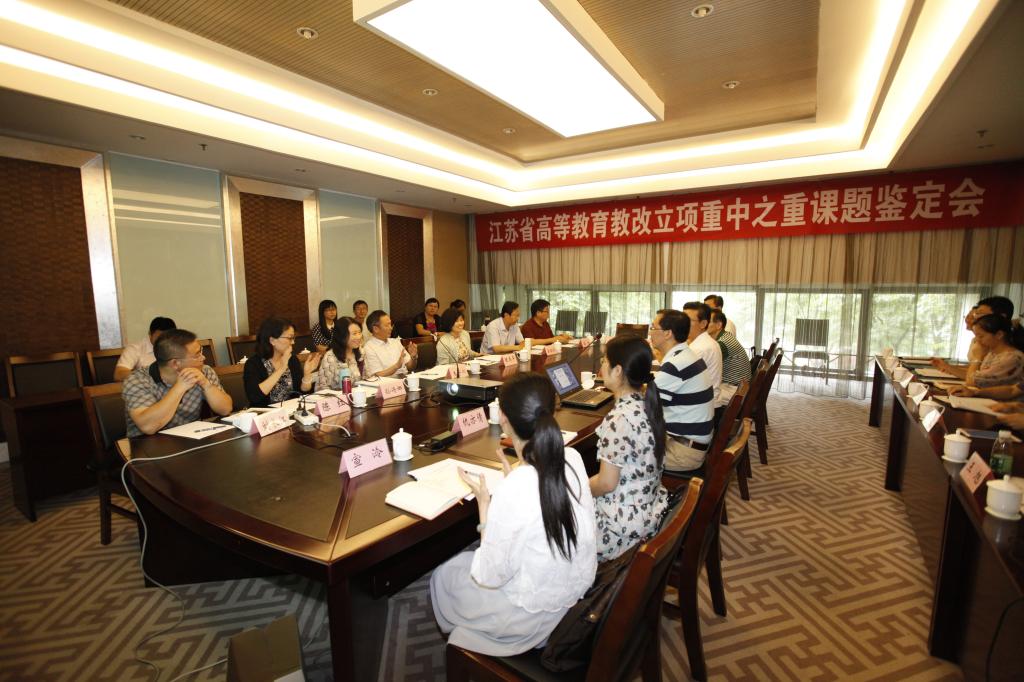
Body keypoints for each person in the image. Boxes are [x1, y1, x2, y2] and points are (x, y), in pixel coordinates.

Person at [430, 373, 597, 656]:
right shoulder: (572, 457)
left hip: (529, 619)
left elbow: (490, 575)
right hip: (572, 598)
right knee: (460, 568)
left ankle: (468, 641)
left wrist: (485, 507)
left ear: (503, 418)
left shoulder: (518, 486)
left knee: (443, 576)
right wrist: (514, 480)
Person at [589, 335, 669, 561]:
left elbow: (606, 483)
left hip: (620, 529)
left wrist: (577, 489)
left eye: (604, 360)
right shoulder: (647, 403)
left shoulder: (619, 419)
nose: (601, 365)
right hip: (647, 510)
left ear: (617, 371)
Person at [122, 328, 232, 437]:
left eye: (201, 351)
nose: (203, 357)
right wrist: (180, 387)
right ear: (175, 363)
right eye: (197, 355)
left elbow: (226, 409)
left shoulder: (204, 371)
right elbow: (148, 427)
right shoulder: (137, 380)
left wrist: (206, 385)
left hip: (191, 438)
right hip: (146, 442)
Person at [650, 309, 715, 473]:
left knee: (618, 455)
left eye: (653, 327)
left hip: (682, 453)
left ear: (668, 333)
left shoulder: (675, 365)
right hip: (690, 443)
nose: (650, 332)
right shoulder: (687, 355)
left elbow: (643, 407)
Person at [243, 317, 322, 407]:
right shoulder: (253, 364)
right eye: (289, 338)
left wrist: (307, 374)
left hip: (291, 410)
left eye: (293, 338)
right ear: (272, 340)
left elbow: (302, 392)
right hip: (266, 413)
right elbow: (255, 397)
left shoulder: (292, 360)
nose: (293, 342)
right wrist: (282, 368)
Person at [932, 296, 1015, 377]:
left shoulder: (1009, 354)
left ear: (1001, 317)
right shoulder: (989, 346)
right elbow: (974, 374)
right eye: (975, 314)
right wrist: (946, 366)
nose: (974, 318)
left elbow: (973, 380)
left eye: (979, 314)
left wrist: (976, 359)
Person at [961, 314, 1024, 388]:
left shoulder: (1012, 358)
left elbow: (971, 381)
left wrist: (976, 359)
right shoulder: (992, 353)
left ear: (999, 334)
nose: (977, 340)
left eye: (981, 336)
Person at [708, 309, 751, 413]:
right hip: (737, 386)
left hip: (734, 390)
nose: (703, 324)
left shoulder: (722, 343)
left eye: (708, 321)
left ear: (718, 325)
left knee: (701, 397)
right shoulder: (725, 336)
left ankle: (714, 422)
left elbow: (707, 366)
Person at [682, 301, 723, 405]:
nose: (682, 323)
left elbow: (680, 379)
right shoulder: (703, 341)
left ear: (703, 324)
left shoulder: (700, 348)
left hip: (703, 405)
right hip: (706, 399)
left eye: (688, 320)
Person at [114, 316, 176, 381]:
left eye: (168, 338)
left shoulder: (178, 348)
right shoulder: (135, 349)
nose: (164, 341)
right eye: (160, 338)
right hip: (145, 386)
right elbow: (118, 374)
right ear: (150, 334)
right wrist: (149, 376)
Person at [362, 310, 419, 377]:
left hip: (405, 378)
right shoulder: (369, 348)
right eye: (387, 325)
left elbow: (410, 367)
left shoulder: (395, 342)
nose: (391, 328)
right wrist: (397, 366)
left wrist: (413, 357)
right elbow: (377, 375)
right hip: (387, 382)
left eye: (390, 324)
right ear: (375, 329)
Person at [316, 316, 364, 389]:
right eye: (354, 334)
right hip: (337, 395)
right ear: (342, 336)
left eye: (359, 332)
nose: (358, 337)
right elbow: (322, 388)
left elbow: (367, 378)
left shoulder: (361, 351)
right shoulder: (330, 357)